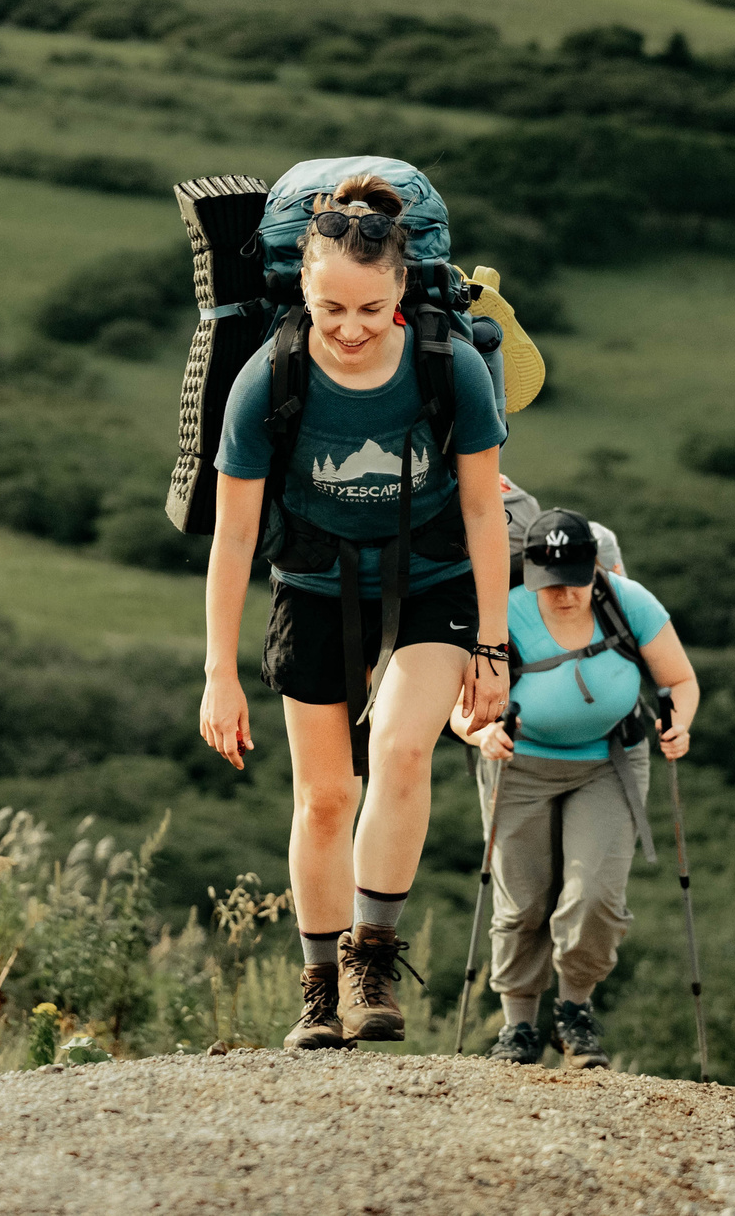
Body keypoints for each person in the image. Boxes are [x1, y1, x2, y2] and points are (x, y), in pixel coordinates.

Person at [197, 173, 513, 1050]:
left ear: (402, 289)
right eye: (332, 305)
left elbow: (487, 512)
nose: (349, 327)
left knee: (403, 748)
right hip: (314, 582)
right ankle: (320, 990)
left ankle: (373, 956)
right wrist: (219, 674)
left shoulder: (449, 369)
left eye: (371, 308)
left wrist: (494, 642)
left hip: (435, 574)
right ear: (302, 285)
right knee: (326, 797)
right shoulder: (270, 379)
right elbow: (232, 539)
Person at [459, 507, 697, 1069]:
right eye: (552, 582)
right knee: (522, 904)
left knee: (595, 896)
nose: (565, 593)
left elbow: (679, 679)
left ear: (595, 566)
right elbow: (460, 702)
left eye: (576, 579)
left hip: (609, 762)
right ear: (531, 571)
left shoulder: (627, 600)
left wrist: (679, 723)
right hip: (520, 765)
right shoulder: (500, 612)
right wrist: (480, 734)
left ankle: (575, 1013)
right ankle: (519, 1027)